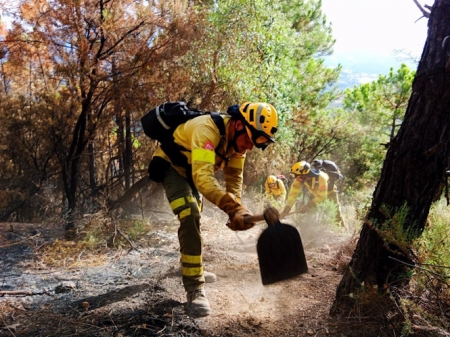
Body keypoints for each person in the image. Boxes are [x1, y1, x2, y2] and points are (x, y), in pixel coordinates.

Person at [150, 102, 278, 317]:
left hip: (192, 170)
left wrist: (238, 211)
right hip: (173, 168)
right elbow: (204, 178)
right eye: (248, 139)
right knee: (190, 214)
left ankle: (192, 268)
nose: (248, 146)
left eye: (253, 143)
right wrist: (231, 207)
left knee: (194, 218)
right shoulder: (207, 131)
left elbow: (234, 179)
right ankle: (194, 289)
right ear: (238, 124)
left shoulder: (238, 145)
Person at [279, 160, 345, 227]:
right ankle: (311, 228)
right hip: (316, 195)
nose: (297, 179)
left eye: (298, 176)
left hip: (330, 194)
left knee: (336, 215)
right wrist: (287, 208)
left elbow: (322, 196)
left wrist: (309, 204)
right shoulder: (299, 179)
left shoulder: (322, 177)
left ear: (304, 175)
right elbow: (293, 194)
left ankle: (342, 230)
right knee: (310, 213)